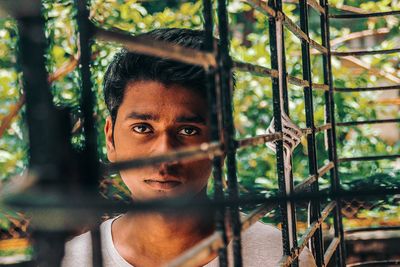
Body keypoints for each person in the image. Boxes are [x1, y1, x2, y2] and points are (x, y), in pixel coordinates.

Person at [61, 28, 316, 267]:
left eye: (188, 131)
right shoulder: (74, 260)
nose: (164, 153)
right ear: (110, 139)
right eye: (142, 128)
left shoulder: (279, 258)